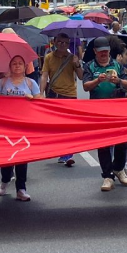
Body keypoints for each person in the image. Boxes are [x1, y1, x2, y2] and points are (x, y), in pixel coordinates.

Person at [82, 44, 127, 191]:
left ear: (109, 51)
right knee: (103, 143)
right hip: (98, 110)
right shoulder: (89, 66)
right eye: (101, 51)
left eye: (106, 51)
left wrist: (119, 81)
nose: (104, 54)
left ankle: (119, 168)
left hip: (117, 108)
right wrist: (98, 80)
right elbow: (85, 86)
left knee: (122, 139)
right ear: (95, 52)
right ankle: (107, 176)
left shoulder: (117, 65)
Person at [0, 55, 42, 201]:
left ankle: (21, 188)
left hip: (23, 125)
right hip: (6, 125)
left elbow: (41, 102)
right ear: (9, 66)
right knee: (7, 156)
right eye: (14, 64)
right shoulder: (2, 83)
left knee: (22, 156)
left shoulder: (31, 83)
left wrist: (32, 99)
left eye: (20, 63)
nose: (17, 66)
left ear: (25, 67)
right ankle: (5, 180)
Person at [39, 32, 85, 167]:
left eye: (65, 43)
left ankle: (68, 154)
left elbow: (81, 77)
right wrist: (41, 93)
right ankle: (62, 151)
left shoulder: (72, 58)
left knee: (69, 127)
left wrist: (77, 64)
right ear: (54, 41)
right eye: (59, 42)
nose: (62, 45)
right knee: (57, 127)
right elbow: (44, 76)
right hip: (54, 94)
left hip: (70, 94)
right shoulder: (48, 57)